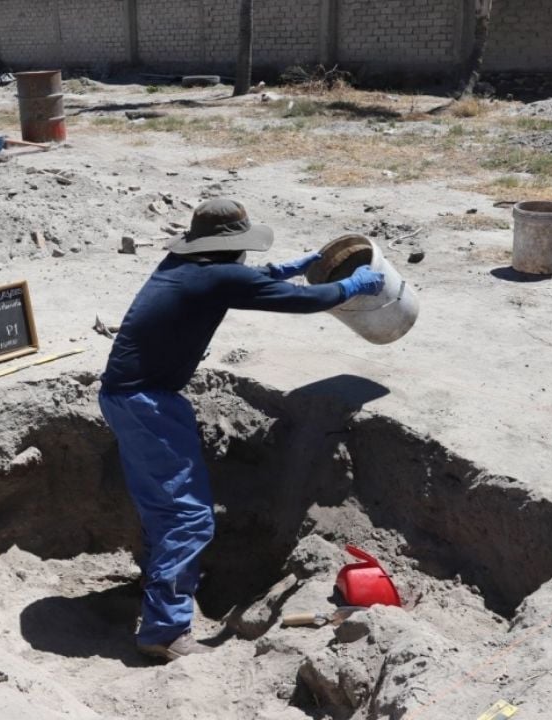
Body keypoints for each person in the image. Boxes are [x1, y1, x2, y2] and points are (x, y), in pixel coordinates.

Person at [98, 197, 385, 661]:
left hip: (128, 397)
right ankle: (164, 631)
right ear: (232, 247)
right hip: (148, 404)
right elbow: (305, 301)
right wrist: (353, 285)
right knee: (188, 518)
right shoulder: (216, 274)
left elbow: (240, 283)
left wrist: (287, 268)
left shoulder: (186, 264)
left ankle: (160, 589)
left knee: (161, 507)